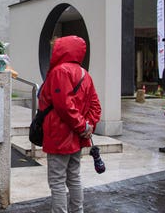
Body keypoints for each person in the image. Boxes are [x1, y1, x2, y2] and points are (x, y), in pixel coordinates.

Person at [38, 35, 102, 213]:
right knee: (74, 177)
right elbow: (95, 106)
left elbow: (64, 105)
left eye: (55, 48)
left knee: (57, 181)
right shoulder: (84, 74)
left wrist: (82, 126)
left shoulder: (60, 71)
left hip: (60, 134)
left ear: (62, 50)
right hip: (76, 136)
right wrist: (88, 126)